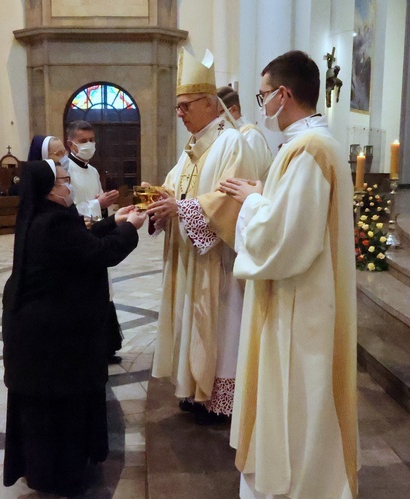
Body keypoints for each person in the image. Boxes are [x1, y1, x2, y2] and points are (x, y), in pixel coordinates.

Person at [219, 50, 358, 499]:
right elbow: (298, 214)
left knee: (297, 402)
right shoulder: (314, 143)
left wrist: (253, 204)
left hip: (301, 305)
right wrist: (266, 193)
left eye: (263, 97)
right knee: (303, 403)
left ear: (284, 94)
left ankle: (296, 488)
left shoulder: (308, 149)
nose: (263, 107)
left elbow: (285, 239)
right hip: (307, 296)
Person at [1, 159, 145, 496]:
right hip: (52, 341)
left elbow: (81, 241)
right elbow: (99, 254)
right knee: (57, 409)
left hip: (37, 336)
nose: (70, 186)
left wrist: (115, 221)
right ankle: (59, 475)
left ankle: (49, 470)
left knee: (46, 409)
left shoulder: (40, 216)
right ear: (50, 189)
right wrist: (130, 228)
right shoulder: (53, 223)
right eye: (65, 180)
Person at [148, 48, 259, 425]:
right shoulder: (192, 147)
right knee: (189, 322)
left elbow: (229, 199)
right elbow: (176, 188)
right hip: (189, 255)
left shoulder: (231, 143)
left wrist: (182, 210)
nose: (179, 114)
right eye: (177, 107)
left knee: (220, 327)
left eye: (185, 106)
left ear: (210, 104)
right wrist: (159, 199)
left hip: (216, 259)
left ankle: (217, 398)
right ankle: (195, 391)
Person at [27, 134, 125, 364]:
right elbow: (71, 218)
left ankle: (104, 345)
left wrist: (107, 214)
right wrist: (125, 228)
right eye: (57, 153)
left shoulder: (89, 171)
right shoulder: (47, 210)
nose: (63, 158)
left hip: (87, 233)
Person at [64, 122, 119, 219]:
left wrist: (105, 202)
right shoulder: (64, 170)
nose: (89, 144)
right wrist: (98, 204)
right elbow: (65, 209)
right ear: (70, 144)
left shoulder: (93, 171)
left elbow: (100, 203)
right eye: (83, 141)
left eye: (91, 140)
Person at [217, 86, 274, 180]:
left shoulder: (250, 136)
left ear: (234, 110)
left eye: (219, 113)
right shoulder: (227, 134)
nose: (217, 119)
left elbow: (249, 178)